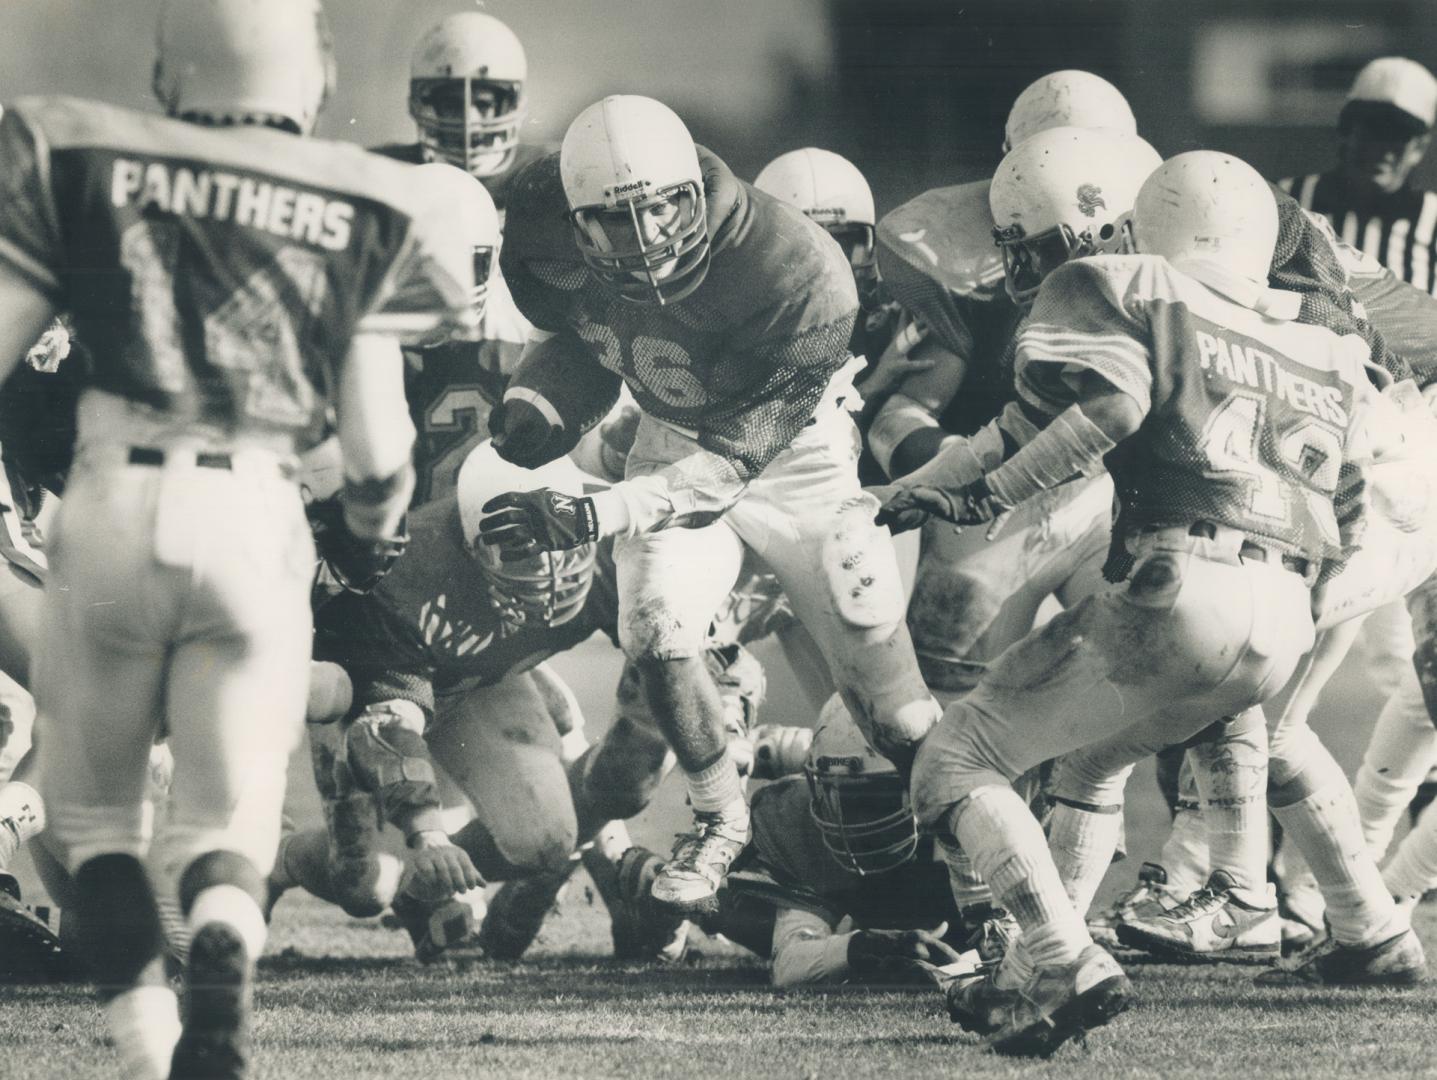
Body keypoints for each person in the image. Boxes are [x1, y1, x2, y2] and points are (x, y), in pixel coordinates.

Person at [0, 1, 479, 1076]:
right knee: (230, 816)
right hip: (255, 510)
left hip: (112, 502)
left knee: (95, 823)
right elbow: (380, 451)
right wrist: (360, 537)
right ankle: (221, 947)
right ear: (307, 72)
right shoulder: (365, 202)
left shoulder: (83, 160)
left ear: (172, 75)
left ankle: (145, 1039)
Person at [879, 151, 1378, 1055]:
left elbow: (1102, 415)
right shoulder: (1320, 339)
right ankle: (1033, 977)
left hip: (1183, 581)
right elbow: (1346, 510)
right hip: (1283, 614)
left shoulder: (1132, 285)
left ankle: (1063, 954)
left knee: (954, 760)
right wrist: (932, 481)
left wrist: (979, 500)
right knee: (1082, 764)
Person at [482, 94, 941, 916]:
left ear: (696, 193)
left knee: (897, 716)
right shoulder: (543, 227)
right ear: (576, 220)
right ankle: (718, 819)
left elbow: (730, 467)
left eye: (661, 209)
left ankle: (982, 874)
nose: (649, 238)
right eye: (617, 222)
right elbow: (582, 341)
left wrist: (595, 512)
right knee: (653, 628)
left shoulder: (792, 266)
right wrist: (540, 406)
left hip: (794, 468)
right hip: (670, 434)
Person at [621, 695, 999, 988]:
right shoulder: (802, 822)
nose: (855, 819)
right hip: (840, 898)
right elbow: (790, 965)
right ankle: (654, 881)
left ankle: (775, 747)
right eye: (839, 799)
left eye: (873, 801)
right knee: (770, 922)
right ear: (816, 785)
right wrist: (867, 946)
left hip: (905, 884)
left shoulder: (961, 805)